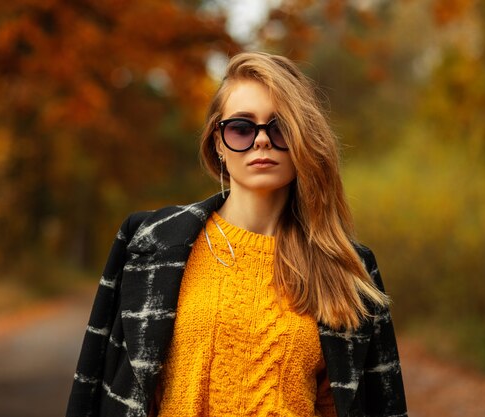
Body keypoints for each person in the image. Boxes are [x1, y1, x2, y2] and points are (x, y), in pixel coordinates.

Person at [66, 52, 407, 417]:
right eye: (242, 127)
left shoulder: (348, 269)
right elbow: (94, 383)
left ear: (303, 138)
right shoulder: (150, 242)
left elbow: (371, 406)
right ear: (218, 142)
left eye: (280, 127)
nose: (261, 140)